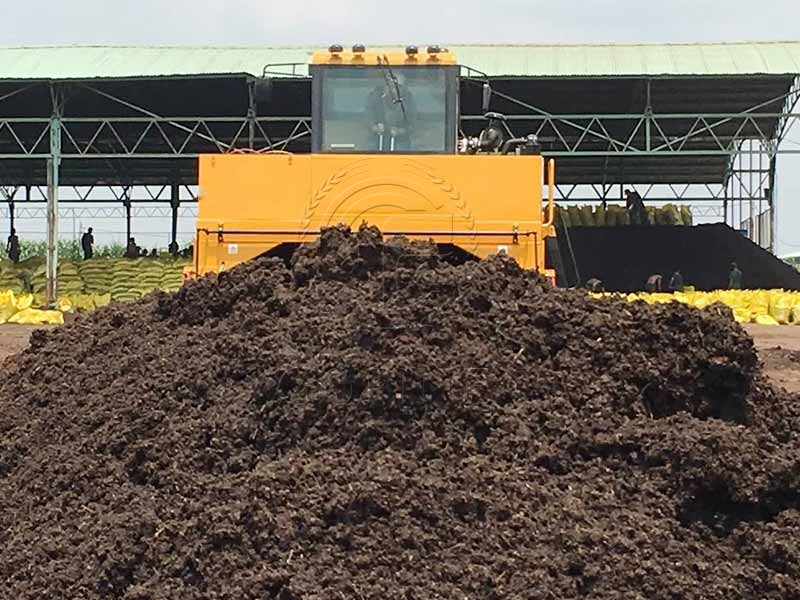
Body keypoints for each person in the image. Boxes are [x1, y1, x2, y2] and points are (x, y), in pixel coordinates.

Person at [366, 72, 418, 152]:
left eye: (397, 86)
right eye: (389, 85)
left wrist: (400, 131)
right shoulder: (375, 97)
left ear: (403, 88)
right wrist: (374, 127)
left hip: (400, 140)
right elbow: (367, 115)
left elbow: (413, 124)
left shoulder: (409, 101)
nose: (393, 89)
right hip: (377, 138)